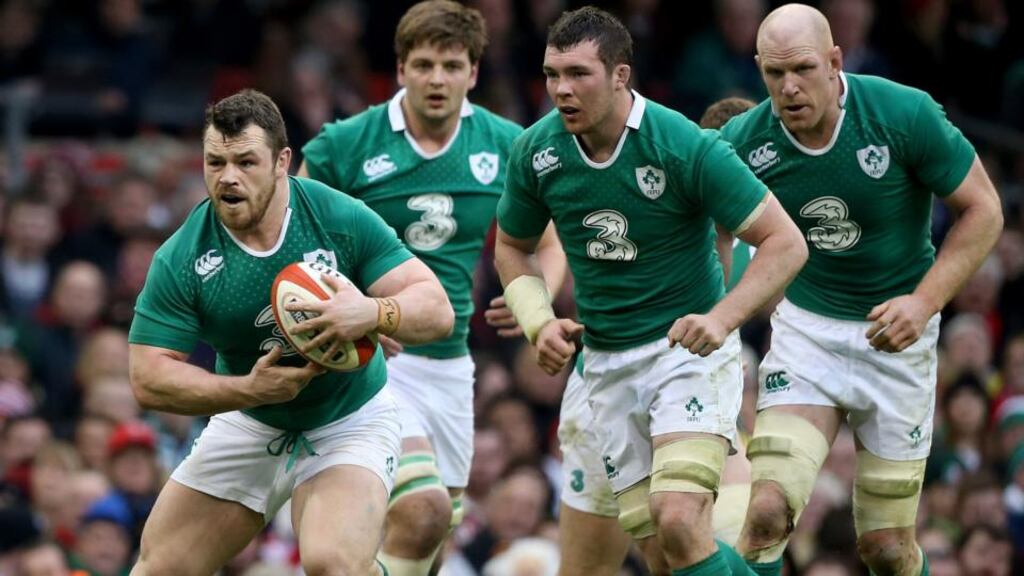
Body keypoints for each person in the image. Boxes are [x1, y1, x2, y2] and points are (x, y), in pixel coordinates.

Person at [495, 7, 807, 576]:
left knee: (679, 518)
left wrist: (722, 318)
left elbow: (786, 242)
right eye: (551, 74)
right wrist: (538, 320)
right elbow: (513, 247)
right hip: (605, 369)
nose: (561, 89)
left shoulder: (682, 145)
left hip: (685, 357)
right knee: (664, 555)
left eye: (578, 74)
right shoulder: (537, 151)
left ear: (620, 76)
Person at [718, 5, 1004, 576]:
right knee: (766, 513)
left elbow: (984, 210)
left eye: (802, 69)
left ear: (835, 61)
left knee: (887, 550)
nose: (789, 88)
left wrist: (923, 303)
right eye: (774, 75)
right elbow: (708, 230)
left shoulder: (901, 114)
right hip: (808, 334)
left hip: (897, 340)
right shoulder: (746, 142)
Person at [127, 89, 454, 576]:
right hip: (250, 419)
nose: (228, 177)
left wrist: (371, 312)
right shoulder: (182, 257)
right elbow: (147, 376)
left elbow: (435, 308)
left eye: (245, 161)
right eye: (214, 162)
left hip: (348, 418)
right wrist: (246, 389)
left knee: (332, 565)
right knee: (159, 568)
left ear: (282, 161)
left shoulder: (335, 216)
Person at [298, 3, 561, 575]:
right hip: (371, 357)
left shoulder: (507, 144)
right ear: (399, 69)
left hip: (448, 364)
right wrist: (357, 309)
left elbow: (552, 237)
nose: (436, 79)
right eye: (423, 64)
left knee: (430, 542)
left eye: (450, 65)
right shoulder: (346, 144)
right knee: (421, 511)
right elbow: (291, 237)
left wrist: (535, 300)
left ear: (473, 72)